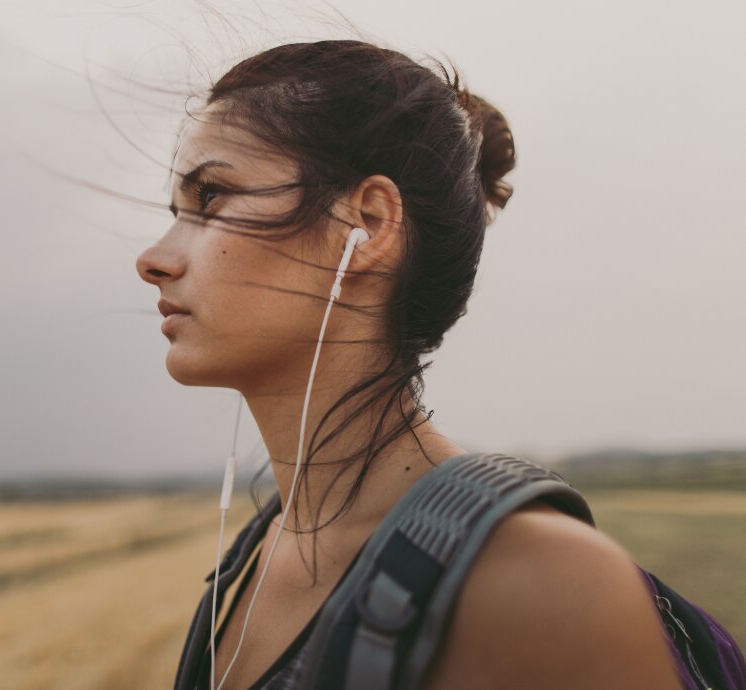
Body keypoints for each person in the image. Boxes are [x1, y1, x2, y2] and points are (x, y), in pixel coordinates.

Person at [135, 40, 686, 690]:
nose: (154, 258)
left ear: (366, 225)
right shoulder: (253, 559)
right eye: (177, 212)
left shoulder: (537, 583)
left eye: (212, 198)